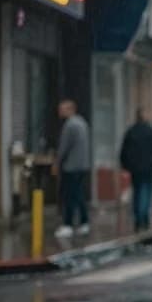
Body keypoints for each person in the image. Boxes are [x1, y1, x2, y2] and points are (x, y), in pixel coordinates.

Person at [120, 108, 152, 232]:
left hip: (135, 168)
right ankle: (142, 217)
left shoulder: (131, 132)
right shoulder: (151, 132)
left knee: (137, 191)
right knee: (146, 192)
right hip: (149, 168)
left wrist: (125, 165)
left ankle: (138, 217)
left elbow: (124, 151)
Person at [53, 99, 91, 239]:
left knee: (69, 195)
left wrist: (57, 162)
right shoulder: (82, 123)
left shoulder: (70, 125)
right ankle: (84, 222)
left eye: (62, 109)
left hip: (71, 166)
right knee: (78, 194)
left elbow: (64, 147)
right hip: (82, 165)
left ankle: (68, 224)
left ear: (70, 109)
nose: (59, 112)